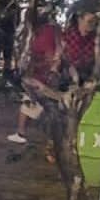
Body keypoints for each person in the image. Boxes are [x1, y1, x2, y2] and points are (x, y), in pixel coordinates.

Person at [8, 10, 60, 144]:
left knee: (31, 102)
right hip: (43, 74)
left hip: (42, 76)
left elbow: (49, 56)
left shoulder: (44, 34)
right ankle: (24, 132)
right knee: (33, 104)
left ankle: (22, 133)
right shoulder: (50, 30)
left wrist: (38, 66)